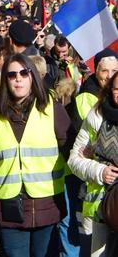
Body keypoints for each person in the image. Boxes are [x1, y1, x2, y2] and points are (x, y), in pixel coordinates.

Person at [0, 53, 70, 257]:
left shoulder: (51, 107)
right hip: (8, 205)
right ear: (5, 79)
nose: (18, 78)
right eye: (11, 75)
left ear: (32, 76)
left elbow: (70, 148)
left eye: (23, 73)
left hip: (47, 202)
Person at [68, 71, 118, 257]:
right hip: (101, 208)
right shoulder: (96, 116)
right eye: (116, 89)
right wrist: (99, 170)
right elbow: (74, 160)